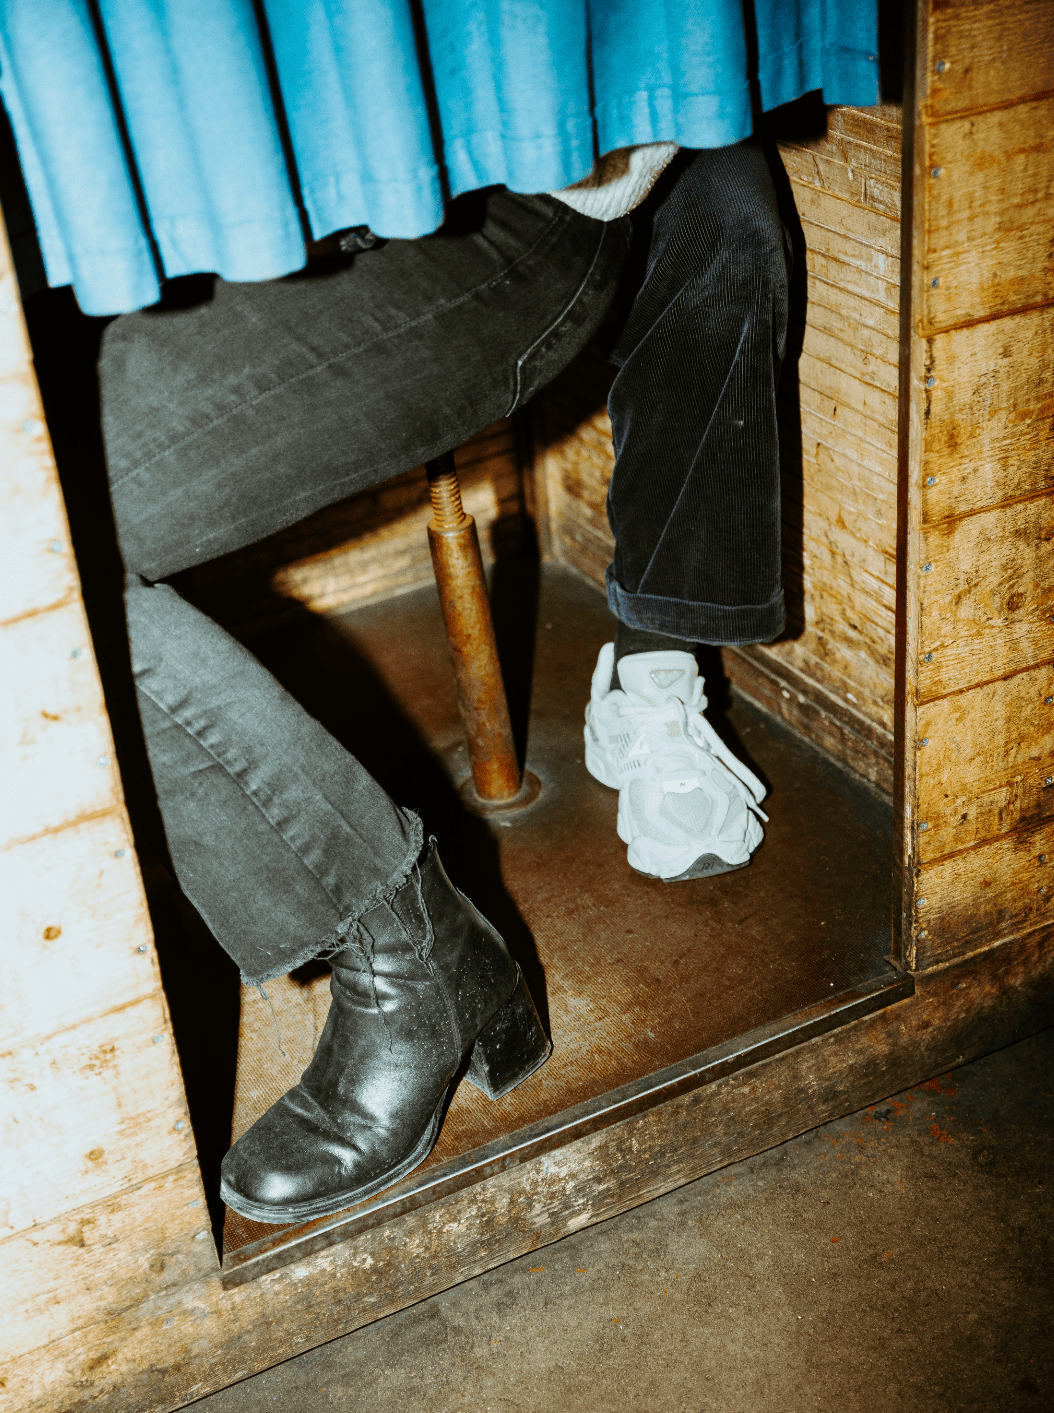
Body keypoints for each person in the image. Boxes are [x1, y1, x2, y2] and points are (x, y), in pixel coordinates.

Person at [98, 135, 789, 1225]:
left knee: (37, 523)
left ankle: (404, 951)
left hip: (473, 195)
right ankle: (434, 959)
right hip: (215, 224)